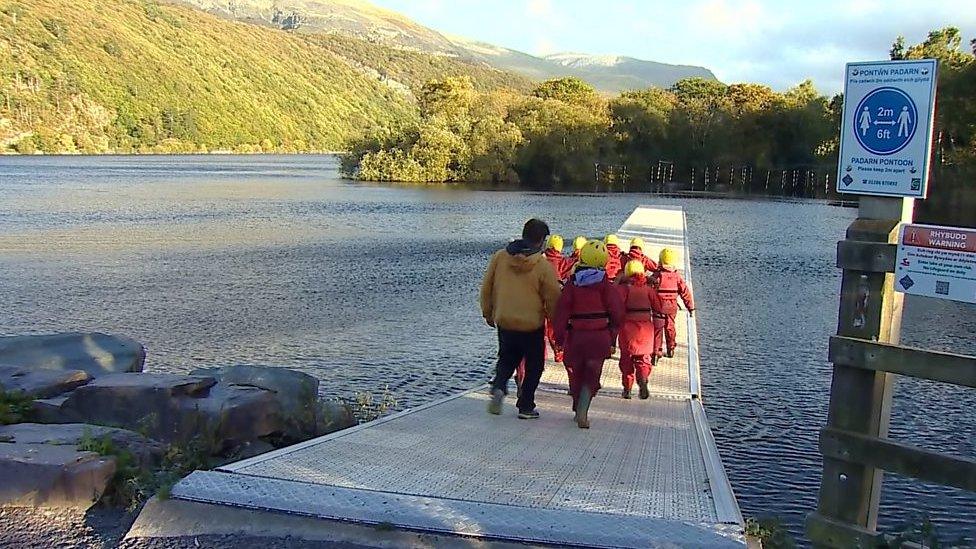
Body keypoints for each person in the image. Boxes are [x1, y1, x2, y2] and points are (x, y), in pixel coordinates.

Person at [481, 219, 562, 419]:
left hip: (505, 319)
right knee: (535, 365)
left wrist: (488, 312)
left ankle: (499, 386)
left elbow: (487, 287)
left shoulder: (500, 257)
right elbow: (553, 298)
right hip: (531, 324)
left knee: (507, 358)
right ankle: (526, 406)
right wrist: (556, 323)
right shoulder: (542, 266)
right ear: (542, 241)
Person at [553, 240, 624, 429]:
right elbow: (617, 313)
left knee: (576, 372)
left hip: (575, 337)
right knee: (592, 374)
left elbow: (560, 315)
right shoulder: (607, 287)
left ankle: (577, 406)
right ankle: (584, 406)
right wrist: (613, 334)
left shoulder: (571, 286)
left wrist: (558, 339)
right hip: (599, 337)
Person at [617, 260, 663, 400]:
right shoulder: (648, 289)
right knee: (643, 359)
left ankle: (627, 388)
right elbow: (658, 307)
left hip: (627, 328)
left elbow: (615, 304)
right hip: (646, 329)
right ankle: (643, 379)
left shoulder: (624, 289)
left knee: (626, 359)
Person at [652, 247, 695, 359]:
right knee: (670, 327)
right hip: (671, 306)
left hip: (658, 305)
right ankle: (671, 348)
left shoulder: (657, 275)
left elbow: (649, 288)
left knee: (658, 328)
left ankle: (656, 352)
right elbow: (685, 292)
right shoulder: (677, 277)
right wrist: (690, 307)